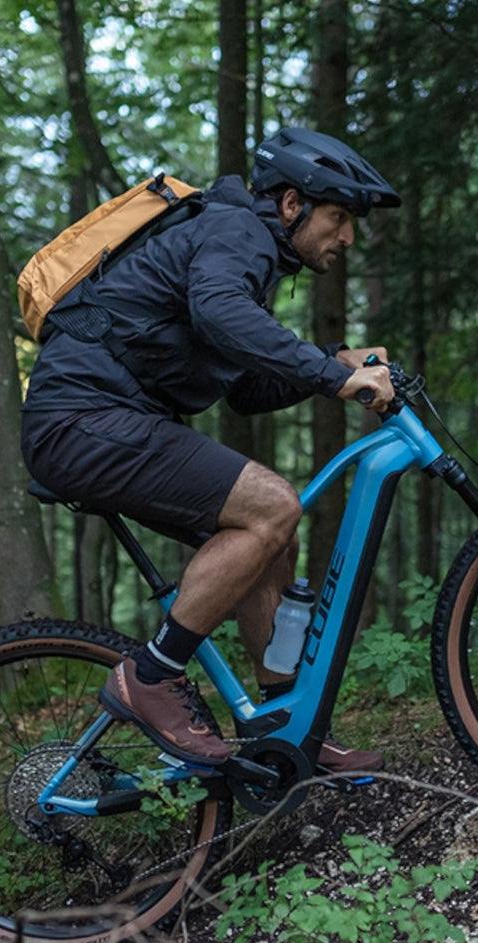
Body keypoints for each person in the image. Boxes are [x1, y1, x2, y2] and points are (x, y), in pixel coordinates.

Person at [20, 127, 400, 773]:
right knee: (270, 505)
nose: (346, 238)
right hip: (83, 422)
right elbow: (224, 313)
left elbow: (246, 389)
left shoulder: (232, 249)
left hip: (105, 423)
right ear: (290, 204)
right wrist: (333, 375)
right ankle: (150, 677)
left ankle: (285, 727)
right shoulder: (235, 230)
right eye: (338, 218)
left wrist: (331, 362)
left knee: (272, 535)